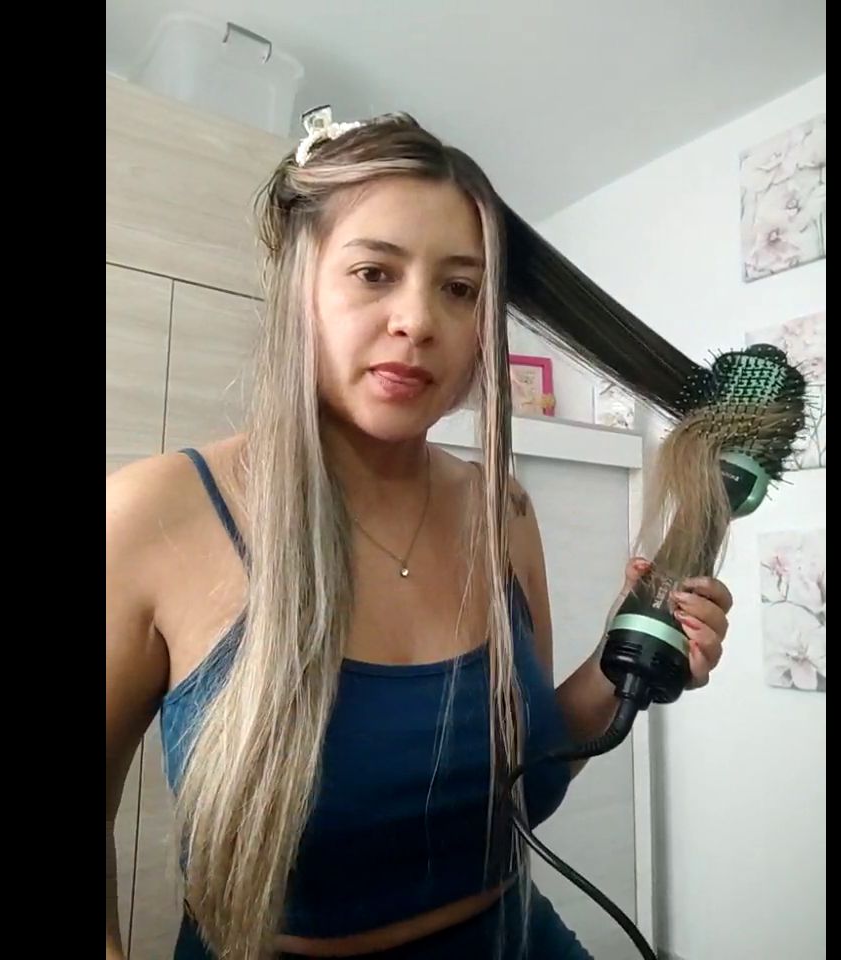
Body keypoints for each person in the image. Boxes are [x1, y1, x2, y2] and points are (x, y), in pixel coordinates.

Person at [106, 108, 732, 960]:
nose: (418, 320)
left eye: (460, 289)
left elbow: (525, 784)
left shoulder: (502, 511)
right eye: (374, 272)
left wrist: (627, 657)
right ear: (299, 286)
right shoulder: (150, 517)